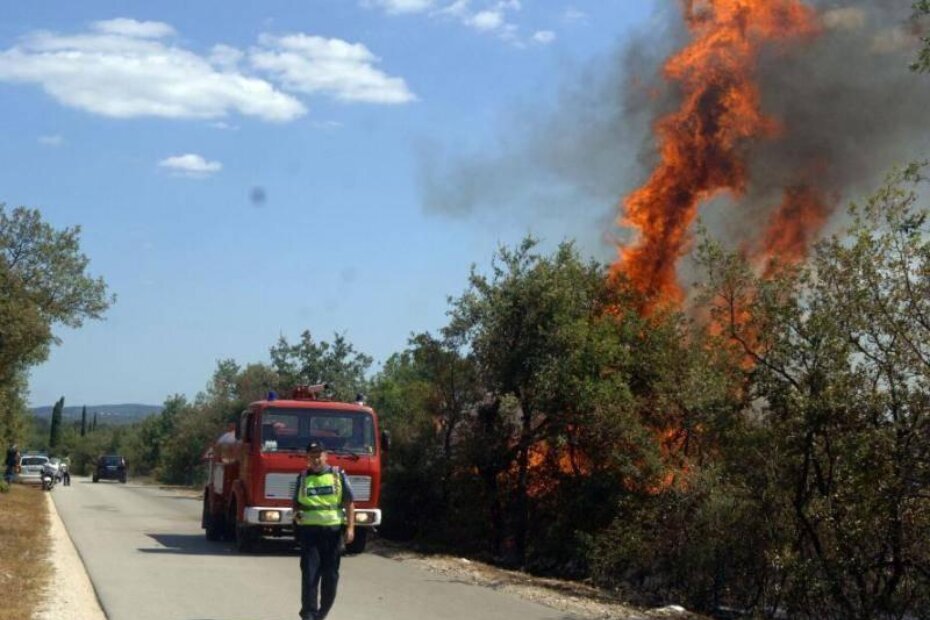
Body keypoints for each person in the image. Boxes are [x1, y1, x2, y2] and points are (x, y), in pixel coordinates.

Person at [292, 441, 355, 620]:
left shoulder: (338, 475)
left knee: (331, 576)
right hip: (309, 534)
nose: (316, 459)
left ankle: (322, 613)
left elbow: (349, 503)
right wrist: (297, 518)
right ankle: (309, 614)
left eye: (319, 456)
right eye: (312, 456)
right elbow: (295, 504)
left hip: (333, 532)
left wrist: (350, 528)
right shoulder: (303, 477)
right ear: (307, 459)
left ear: (325, 456)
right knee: (310, 575)